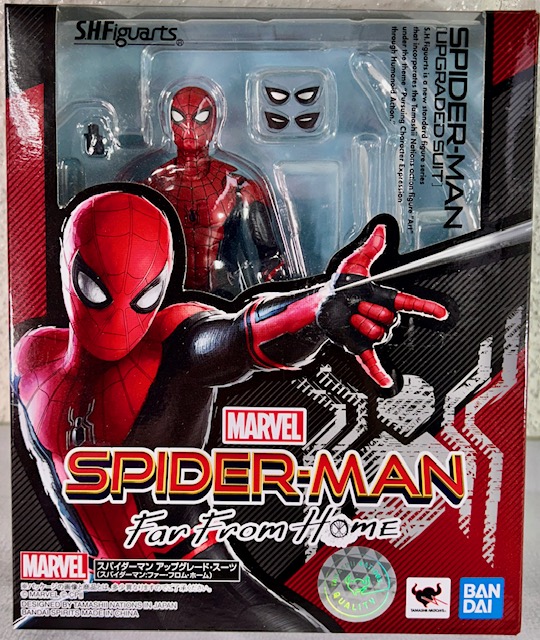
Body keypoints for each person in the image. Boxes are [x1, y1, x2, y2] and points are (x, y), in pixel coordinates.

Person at [13, 187, 447, 630]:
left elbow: (236, 339)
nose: (118, 320)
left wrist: (318, 310)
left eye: (143, 296)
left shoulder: (171, 341)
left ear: (160, 282)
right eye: (95, 288)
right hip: (109, 587)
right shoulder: (33, 358)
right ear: (69, 265)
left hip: (201, 579)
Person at [147, 85, 284, 296]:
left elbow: (270, 256)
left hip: (224, 291)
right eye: (179, 117)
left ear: (213, 122)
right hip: (165, 293)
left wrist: (271, 282)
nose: (189, 128)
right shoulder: (154, 185)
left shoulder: (239, 186)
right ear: (169, 123)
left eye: (200, 118)